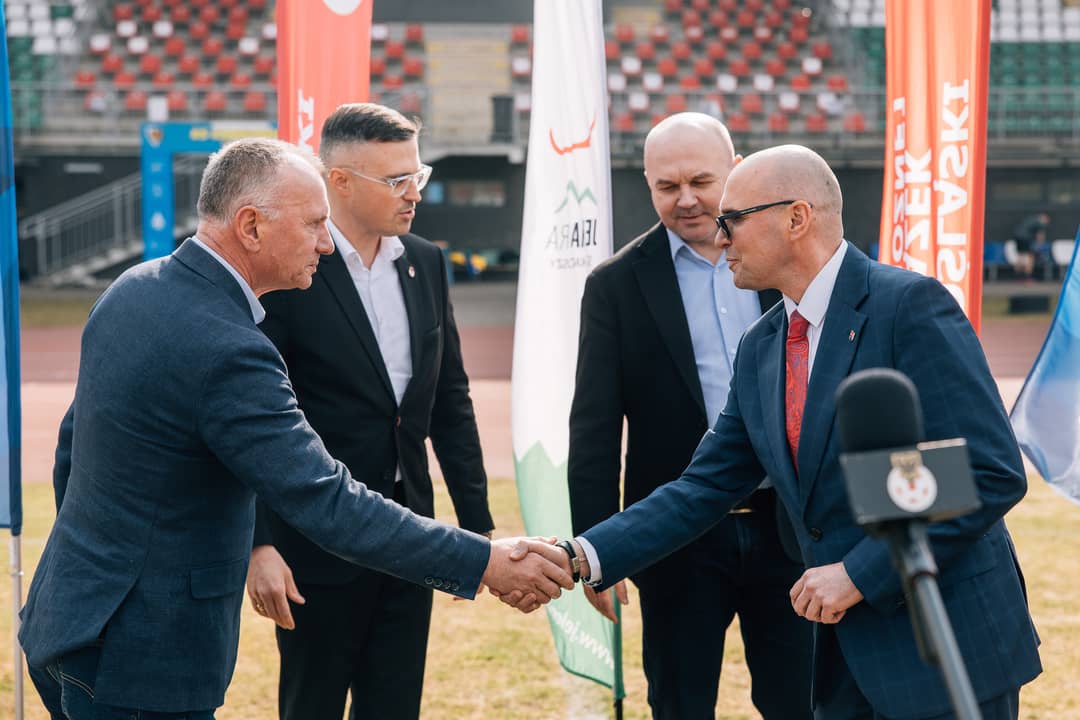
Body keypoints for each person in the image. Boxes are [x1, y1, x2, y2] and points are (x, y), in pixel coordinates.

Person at [19, 137, 572, 719]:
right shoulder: (229, 348)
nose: (326, 243)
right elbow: (326, 499)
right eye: (313, 224)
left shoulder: (132, 289)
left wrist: (102, 561)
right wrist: (482, 560)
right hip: (141, 659)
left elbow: (72, 451)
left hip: (71, 620)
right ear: (251, 226)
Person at [560, 145, 1042, 720]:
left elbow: (987, 469)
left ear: (796, 218)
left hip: (947, 649)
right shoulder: (762, 346)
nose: (719, 237)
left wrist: (859, 573)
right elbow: (702, 487)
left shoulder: (909, 306)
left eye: (733, 220)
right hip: (842, 662)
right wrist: (581, 554)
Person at [244, 103, 493, 720]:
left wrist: (477, 524)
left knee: (395, 705)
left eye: (418, 175)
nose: (414, 193)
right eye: (397, 179)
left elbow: (449, 399)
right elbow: (249, 422)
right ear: (340, 181)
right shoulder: (289, 270)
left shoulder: (425, 261)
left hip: (412, 535)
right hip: (316, 546)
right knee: (313, 705)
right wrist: (259, 544)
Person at [568, 112, 810, 719]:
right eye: (666, 186)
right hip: (678, 540)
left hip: (791, 527)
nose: (686, 200)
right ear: (647, 185)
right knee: (679, 703)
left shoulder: (787, 261)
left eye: (701, 181)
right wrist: (599, 548)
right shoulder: (615, 285)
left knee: (802, 701)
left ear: (735, 170)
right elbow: (595, 426)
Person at [1010, 211, 1050, 280]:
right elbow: (1040, 235)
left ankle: (1017, 275)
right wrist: (1040, 244)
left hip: (1017, 237)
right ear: (1044, 218)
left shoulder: (1030, 219)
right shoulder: (1039, 223)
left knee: (1020, 256)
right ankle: (1027, 276)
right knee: (1031, 256)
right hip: (1025, 238)